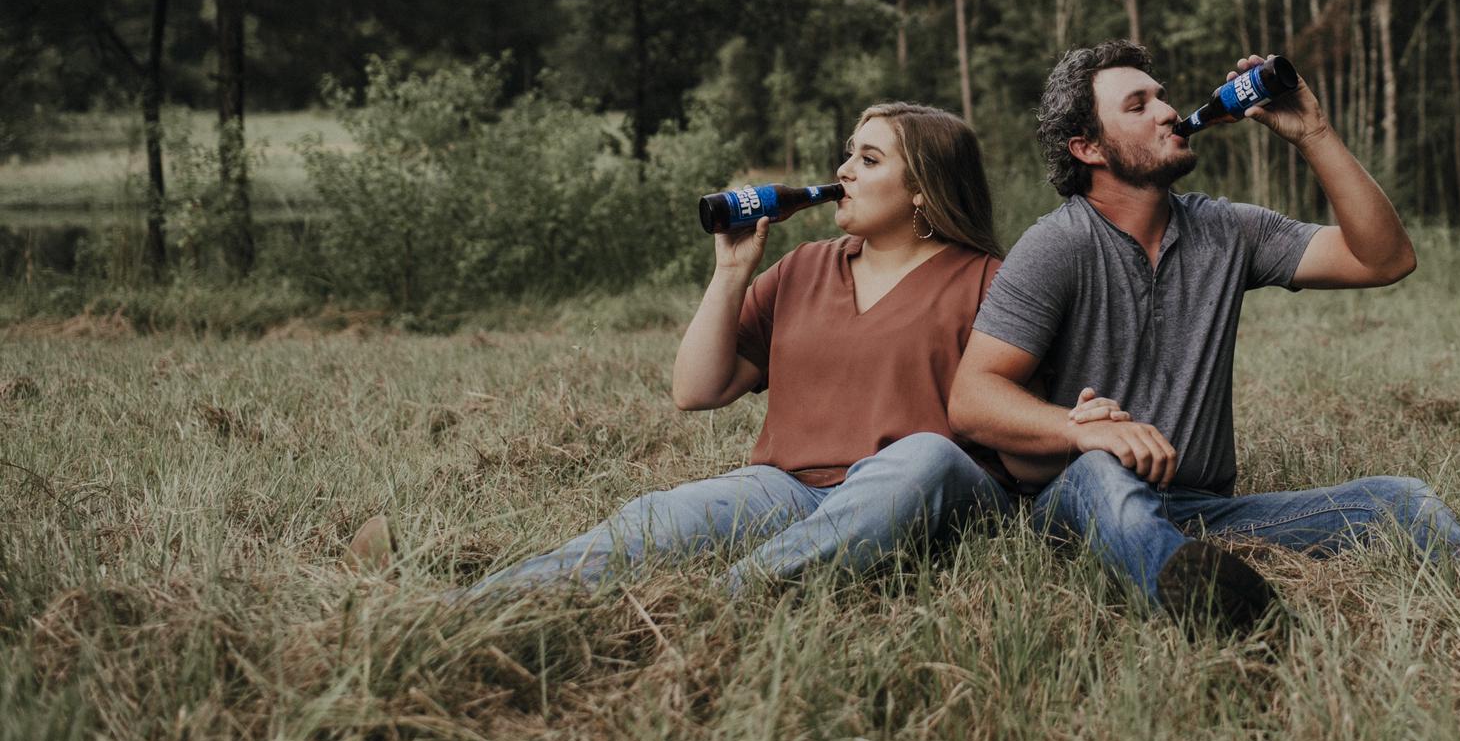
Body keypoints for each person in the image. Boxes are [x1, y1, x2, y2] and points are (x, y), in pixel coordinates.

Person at [945, 41, 1460, 632]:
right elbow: (972, 398)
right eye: (1138, 105)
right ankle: (1227, 615)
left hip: (1205, 512)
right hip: (1080, 503)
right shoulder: (1058, 245)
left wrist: (1314, 134)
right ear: (1088, 148)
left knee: (1399, 499)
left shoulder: (1227, 230)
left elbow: (1383, 259)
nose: (1167, 112)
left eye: (1162, 97)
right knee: (1103, 475)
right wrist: (1082, 430)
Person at [421, 102, 1016, 599]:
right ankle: (466, 609)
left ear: (922, 190)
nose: (843, 170)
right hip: (790, 487)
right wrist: (730, 274)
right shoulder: (805, 267)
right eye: (849, 153)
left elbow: (1009, 421)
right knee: (657, 521)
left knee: (923, 458)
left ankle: (717, 604)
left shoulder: (989, 283)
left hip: (921, 491)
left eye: (869, 159)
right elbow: (697, 390)